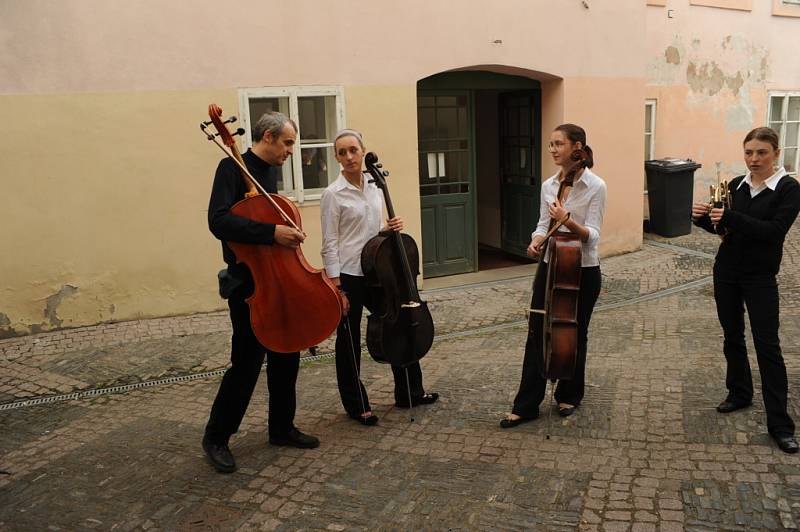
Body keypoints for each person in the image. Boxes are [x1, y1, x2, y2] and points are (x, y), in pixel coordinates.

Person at [202, 111, 320, 474]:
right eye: (287, 143)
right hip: (249, 285)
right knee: (247, 363)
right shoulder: (231, 168)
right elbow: (218, 221)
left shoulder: (267, 172)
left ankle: (281, 428)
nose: (290, 151)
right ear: (267, 136)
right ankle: (217, 437)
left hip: (278, 278)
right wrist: (272, 234)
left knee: (287, 355)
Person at [691, 126, 800, 454]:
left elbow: (773, 231)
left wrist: (731, 217)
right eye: (749, 152)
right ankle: (739, 393)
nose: (754, 159)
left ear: (776, 154)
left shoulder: (788, 189)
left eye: (761, 153)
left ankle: (780, 425)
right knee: (732, 336)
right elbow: (723, 227)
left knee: (768, 346)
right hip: (726, 271)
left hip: (760, 276)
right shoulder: (737, 185)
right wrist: (702, 219)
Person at [320, 129, 439, 426]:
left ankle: (410, 392)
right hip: (349, 273)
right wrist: (337, 286)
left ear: (362, 151)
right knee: (348, 342)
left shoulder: (375, 182)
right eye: (342, 152)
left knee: (399, 325)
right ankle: (356, 403)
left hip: (378, 269)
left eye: (353, 150)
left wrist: (389, 228)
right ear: (336, 157)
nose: (349, 157)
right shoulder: (332, 194)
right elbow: (329, 243)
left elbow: (371, 230)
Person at [500, 124, 607, 428]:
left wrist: (568, 222)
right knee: (537, 331)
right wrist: (536, 240)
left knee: (575, 332)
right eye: (550, 144)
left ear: (577, 147)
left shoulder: (596, 186)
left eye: (558, 144)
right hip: (550, 265)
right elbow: (542, 224)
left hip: (583, 269)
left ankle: (569, 394)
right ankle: (526, 404)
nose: (552, 150)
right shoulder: (549, 185)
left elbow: (593, 236)